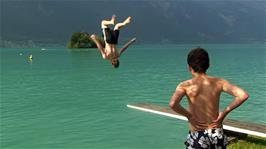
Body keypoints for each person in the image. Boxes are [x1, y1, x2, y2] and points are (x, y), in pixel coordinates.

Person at [169, 48, 249, 149]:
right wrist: (223, 114)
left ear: (189, 67)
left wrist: (189, 116)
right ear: (208, 65)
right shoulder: (219, 82)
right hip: (216, 132)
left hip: (197, 133)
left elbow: (173, 104)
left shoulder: (185, 85)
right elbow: (243, 95)